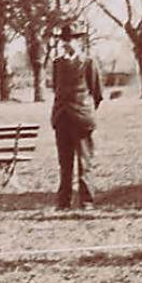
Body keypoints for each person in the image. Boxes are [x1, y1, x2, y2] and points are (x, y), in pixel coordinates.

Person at [51, 25, 104, 211]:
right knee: (64, 163)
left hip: (81, 118)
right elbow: (55, 88)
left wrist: (84, 110)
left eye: (71, 39)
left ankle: (86, 201)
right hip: (61, 118)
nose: (67, 43)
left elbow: (97, 92)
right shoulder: (57, 63)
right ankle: (63, 202)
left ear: (78, 40)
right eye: (64, 39)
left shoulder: (88, 62)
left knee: (84, 161)